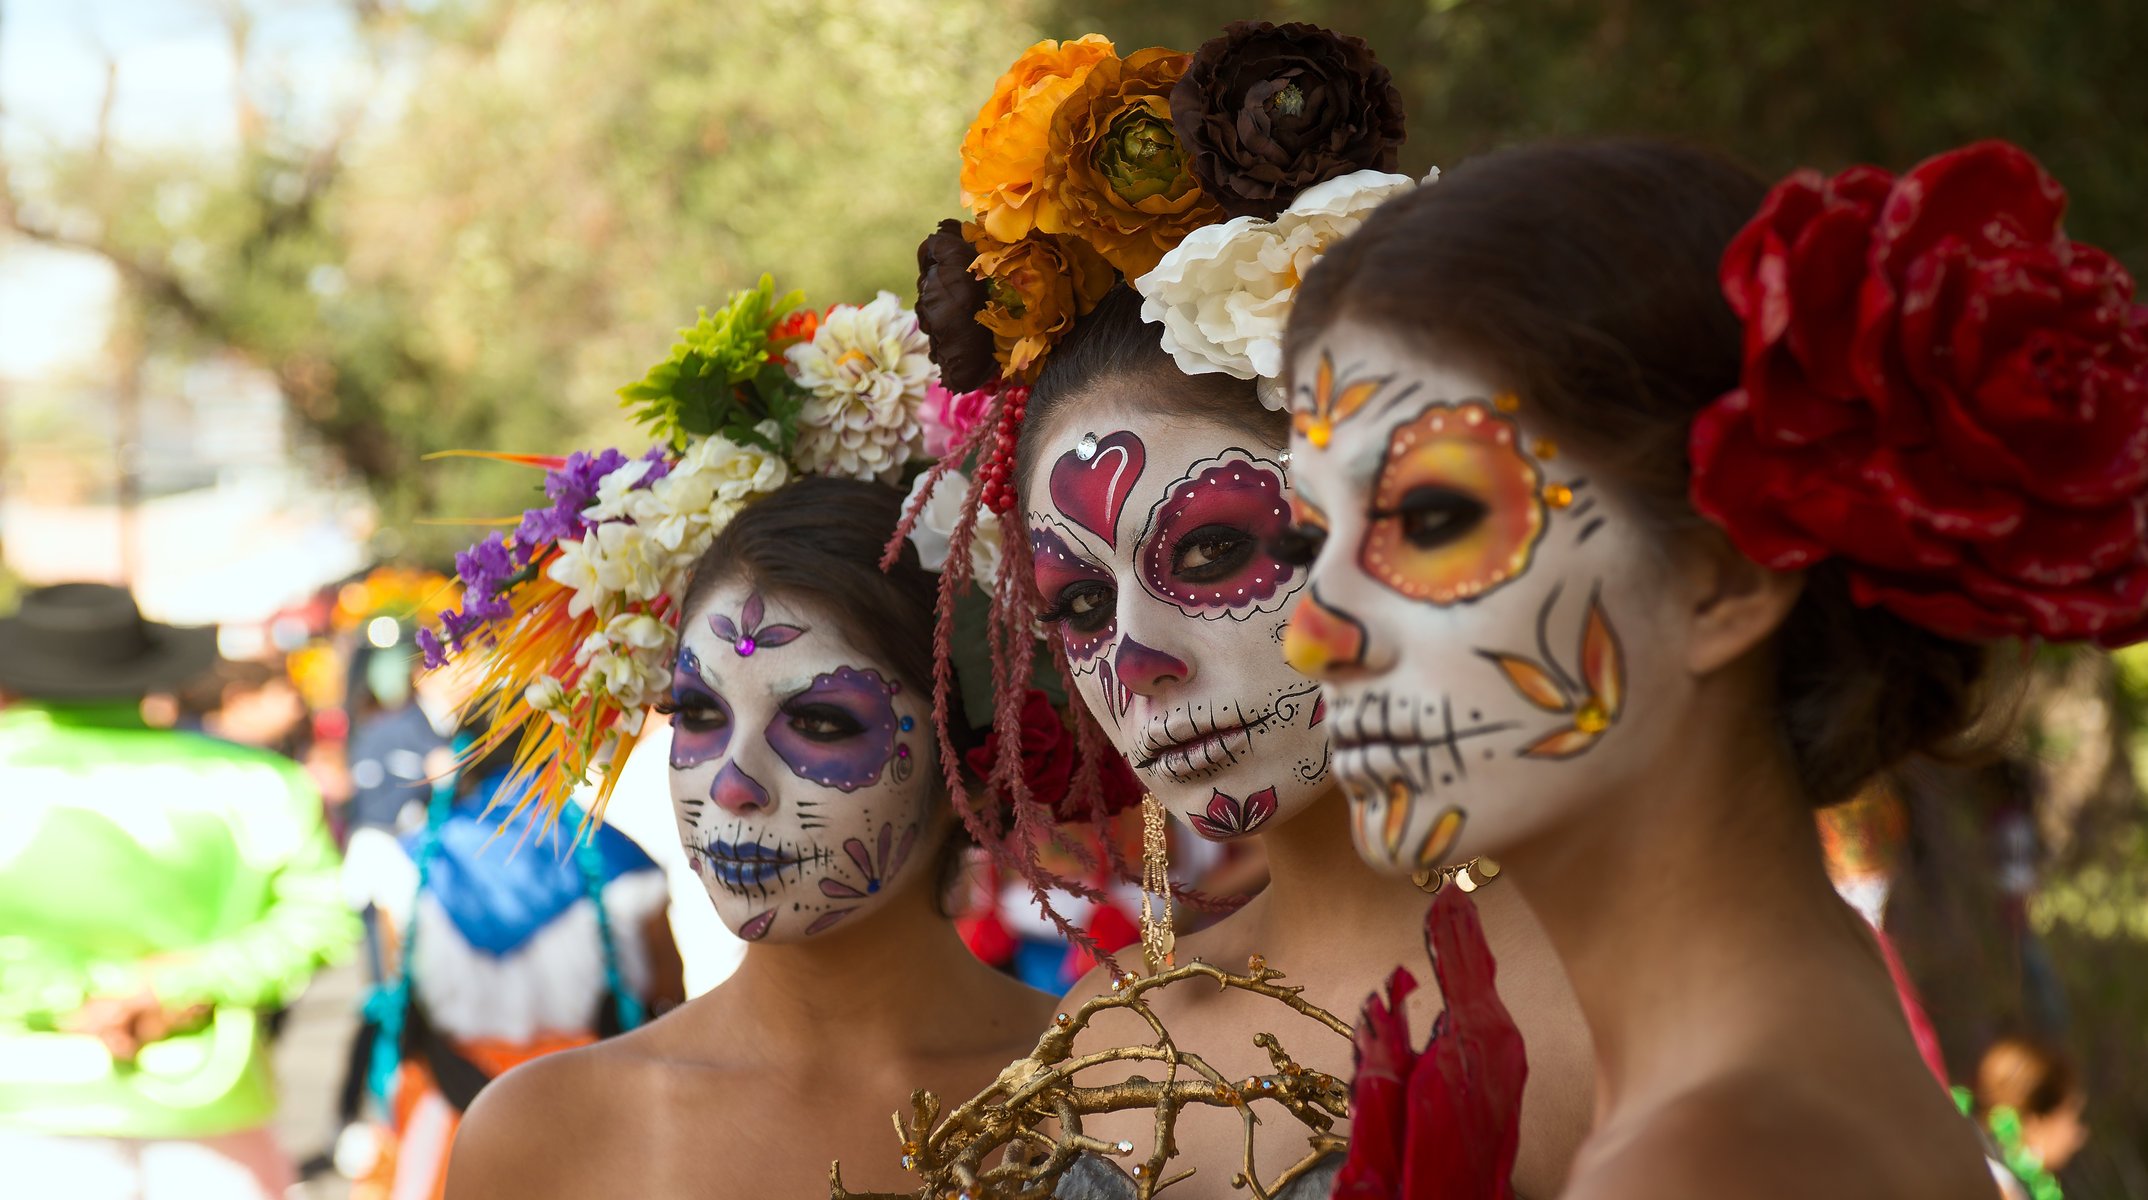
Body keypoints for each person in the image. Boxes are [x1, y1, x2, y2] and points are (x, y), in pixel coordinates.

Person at [1277, 138, 2147, 1194]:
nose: (1313, 632)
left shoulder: (1713, 1161)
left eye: (1430, 517)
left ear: (1724, 579)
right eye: (1311, 535)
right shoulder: (1801, 1034)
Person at [911, 23, 1594, 1193]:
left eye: (1214, 548)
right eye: (1078, 603)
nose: (1139, 660)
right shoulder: (1100, 1042)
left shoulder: (1614, 997)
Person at [445, 478, 1057, 1198]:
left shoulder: (1113, 1089)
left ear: (977, 767)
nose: (734, 784)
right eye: (699, 713)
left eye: (822, 722)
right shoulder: (543, 1132)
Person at [0, 582, 356, 1200]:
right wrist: (173, 984)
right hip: (209, 1112)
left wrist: (76, 994)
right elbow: (318, 920)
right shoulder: (259, 783)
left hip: (26, 1110)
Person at [347, 712, 681, 1200]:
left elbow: (403, 990)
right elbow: (668, 989)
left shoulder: (409, 864)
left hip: (454, 1119)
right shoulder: (614, 855)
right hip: (596, 1115)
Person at [1960, 1035, 2088, 1200]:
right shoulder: (2001, 1189)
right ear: (2036, 1122)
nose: (2079, 1136)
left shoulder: (1957, 1141)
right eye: (2073, 1118)